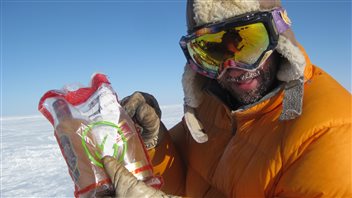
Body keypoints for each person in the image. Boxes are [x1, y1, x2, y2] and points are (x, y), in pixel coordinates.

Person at [102, 0, 352, 197]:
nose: (233, 66)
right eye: (214, 49)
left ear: (278, 41)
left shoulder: (330, 137)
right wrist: (155, 141)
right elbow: (181, 179)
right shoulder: (210, 105)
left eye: (248, 42)